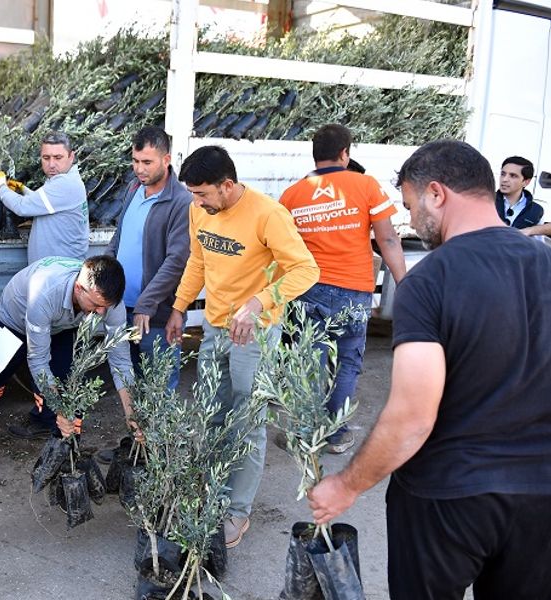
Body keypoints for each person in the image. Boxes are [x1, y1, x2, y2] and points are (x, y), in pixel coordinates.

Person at [308, 139, 551, 600]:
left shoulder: (431, 280)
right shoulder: (547, 264)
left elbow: (412, 417)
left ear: (436, 193)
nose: (410, 220)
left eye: (410, 205)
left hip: (448, 498)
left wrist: (346, 484)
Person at [164, 145, 319, 549]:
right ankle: (212, 492)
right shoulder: (200, 210)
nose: (196, 201)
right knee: (212, 414)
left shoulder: (268, 214)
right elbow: (198, 261)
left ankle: (238, 511)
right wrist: (180, 307)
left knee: (246, 422)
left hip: (256, 333)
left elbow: (306, 269)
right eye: (193, 194)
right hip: (216, 326)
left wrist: (258, 302)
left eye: (202, 193)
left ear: (227, 185)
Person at [279, 124, 406, 453]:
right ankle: (336, 435)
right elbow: (387, 238)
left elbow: (282, 249)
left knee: (310, 362)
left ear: (315, 155)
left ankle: (306, 433)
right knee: (347, 362)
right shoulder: (365, 185)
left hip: (308, 291)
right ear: (345, 153)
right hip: (354, 290)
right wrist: (404, 281)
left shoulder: (291, 195)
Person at [0, 255, 136, 465]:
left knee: (68, 382)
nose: (101, 313)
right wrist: (60, 409)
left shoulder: (109, 303)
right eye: (96, 305)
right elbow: (38, 361)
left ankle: (67, 446)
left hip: (60, 325)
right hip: (16, 320)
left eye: (106, 307)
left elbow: (121, 361)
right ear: (78, 288)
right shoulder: (45, 292)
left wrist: (132, 415)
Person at [105, 127, 191, 391]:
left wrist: (146, 303)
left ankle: (157, 434)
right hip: (121, 309)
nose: (139, 169)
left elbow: (176, 261)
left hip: (155, 317)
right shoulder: (133, 189)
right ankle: (138, 433)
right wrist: (104, 282)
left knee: (159, 388)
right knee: (129, 384)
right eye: (135, 161)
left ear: (166, 160)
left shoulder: (181, 201)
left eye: (147, 162)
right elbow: (118, 240)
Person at [0, 131, 90, 263]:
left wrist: (0, 186)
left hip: (58, 273)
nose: (51, 164)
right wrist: (23, 189)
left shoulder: (65, 184)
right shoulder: (68, 180)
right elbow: (43, 204)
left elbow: (22, 207)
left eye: (58, 157)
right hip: (55, 270)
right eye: (46, 158)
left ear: (71, 157)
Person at [495, 155, 544, 229]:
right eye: (503, 174)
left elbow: (537, 240)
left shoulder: (536, 211)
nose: (504, 179)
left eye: (513, 176)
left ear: (526, 182)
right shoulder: (486, 200)